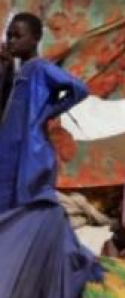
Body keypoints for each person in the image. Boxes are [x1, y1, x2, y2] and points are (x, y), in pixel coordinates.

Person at [0, 14, 89, 213]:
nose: (11, 41)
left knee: (25, 203)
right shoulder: (20, 70)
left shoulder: (40, 67)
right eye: (9, 35)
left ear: (35, 39)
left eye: (17, 36)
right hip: (9, 145)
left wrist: (49, 111)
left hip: (28, 146)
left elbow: (79, 89)